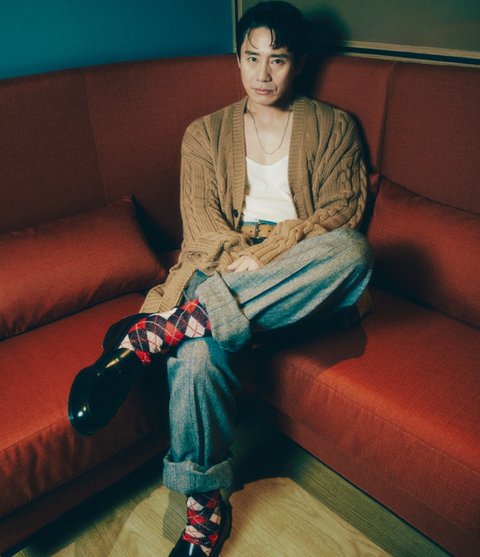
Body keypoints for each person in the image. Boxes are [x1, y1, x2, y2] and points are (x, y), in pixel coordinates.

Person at [68, 2, 373, 555]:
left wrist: (271, 254)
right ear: (236, 59)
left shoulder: (334, 128)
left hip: (294, 281)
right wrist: (241, 262)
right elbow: (203, 231)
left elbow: (341, 215)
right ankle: (204, 509)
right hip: (220, 267)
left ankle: (163, 329)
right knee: (197, 357)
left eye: (277, 59)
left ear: (299, 63)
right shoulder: (204, 135)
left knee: (353, 252)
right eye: (251, 58)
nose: (263, 74)